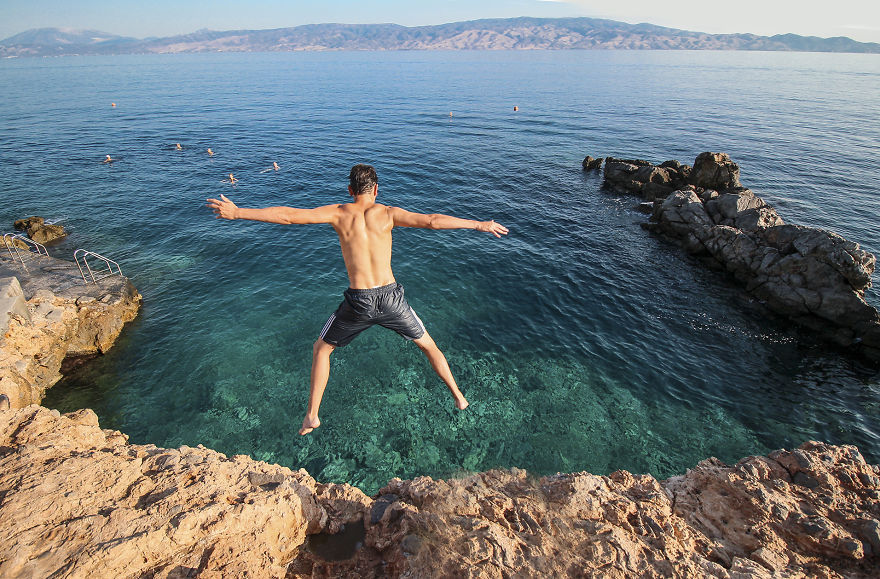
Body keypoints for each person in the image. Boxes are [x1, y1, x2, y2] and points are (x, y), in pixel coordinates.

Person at [206, 164, 508, 435]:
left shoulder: (339, 212)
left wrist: (239, 213)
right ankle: (458, 396)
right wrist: (478, 224)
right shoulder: (388, 213)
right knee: (429, 346)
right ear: (376, 190)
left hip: (359, 302)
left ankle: (312, 415)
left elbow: (290, 216)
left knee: (322, 350)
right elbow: (432, 221)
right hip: (391, 298)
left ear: (350, 191)